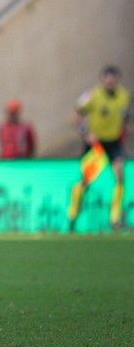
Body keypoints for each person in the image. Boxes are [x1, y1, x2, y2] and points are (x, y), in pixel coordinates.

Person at [68, 66, 131, 231]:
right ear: (103, 79)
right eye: (107, 77)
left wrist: (125, 132)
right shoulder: (93, 95)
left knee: (119, 176)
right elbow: (76, 114)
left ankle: (115, 219)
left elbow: (125, 117)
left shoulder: (124, 95)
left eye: (113, 77)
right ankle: (72, 215)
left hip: (114, 142)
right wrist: (85, 132)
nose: (110, 81)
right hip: (96, 144)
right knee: (86, 180)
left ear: (117, 79)